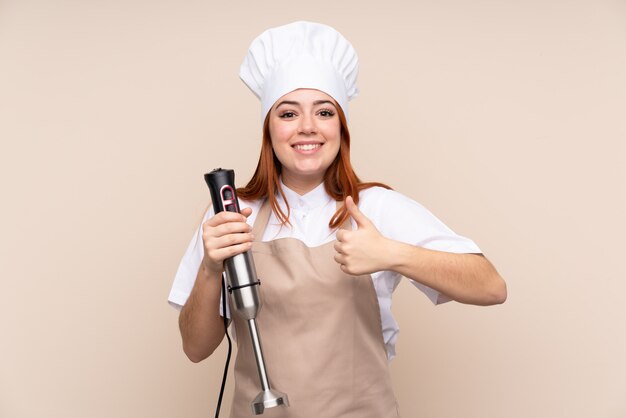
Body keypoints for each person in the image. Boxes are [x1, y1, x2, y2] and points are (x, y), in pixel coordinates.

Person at [168, 21, 507, 417]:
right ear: (269, 129)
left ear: (341, 128)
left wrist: (392, 254)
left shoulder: (377, 209)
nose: (307, 127)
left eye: (324, 112)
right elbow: (195, 349)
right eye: (288, 113)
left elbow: (491, 287)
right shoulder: (230, 215)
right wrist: (211, 268)